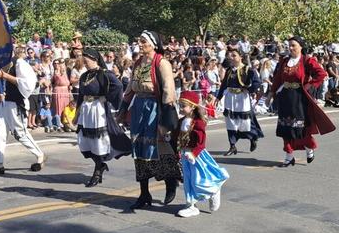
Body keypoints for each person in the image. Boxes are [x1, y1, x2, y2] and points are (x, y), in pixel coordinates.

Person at [121, 31, 181, 210]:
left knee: (159, 148)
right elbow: (131, 88)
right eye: (139, 41)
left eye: (143, 41)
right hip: (139, 108)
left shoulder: (162, 63)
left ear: (153, 44)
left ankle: (170, 182)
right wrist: (123, 108)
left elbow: (169, 90)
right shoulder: (138, 63)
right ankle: (144, 193)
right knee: (138, 150)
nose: (139, 44)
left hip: (155, 109)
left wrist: (165, 120)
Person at [0, 48, 46, 175]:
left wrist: (5, 76)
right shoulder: (3, 64)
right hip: (6, 102)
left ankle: (40, 154)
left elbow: (26, 83)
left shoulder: (19, 63)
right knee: (0, 132)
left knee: (20, 133)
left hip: (16, 103)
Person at [270, 36, 336, 167]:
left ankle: (309, 148)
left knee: (300, 128)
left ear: (300, 46)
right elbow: (278, 78)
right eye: (289, 45)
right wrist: (271, 93)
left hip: (299, 98)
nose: (291, 48)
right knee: (285, 128)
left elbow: (321, 74)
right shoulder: (284, 61)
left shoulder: (307, 60)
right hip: (285, 97)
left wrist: (309, 86)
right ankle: (289, 156)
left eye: (293, 45)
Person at [73, 49, 131, 187]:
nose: (85, 64)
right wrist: (77, 113)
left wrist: (107, 97)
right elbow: (81, 95)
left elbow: (117, 86)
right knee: (85, 142)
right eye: (84, 62)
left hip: (98, 110)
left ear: (94, 60)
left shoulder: (104, 74)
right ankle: (100, 166)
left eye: (87, 62)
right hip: (86, 110)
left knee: (98, 142)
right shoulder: (84, 76)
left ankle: (98, 170)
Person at [176, 90, 229, 218]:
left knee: (198, 180)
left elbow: (201, 142)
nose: (181, 108)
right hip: (185, 155)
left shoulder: (198, 123)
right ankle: (191, 205)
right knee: (187, 180)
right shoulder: (182, 120)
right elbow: (177, 136)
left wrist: (193, 154)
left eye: (184, 106)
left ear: (193, 106)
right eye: (180, 105)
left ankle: (213, 191)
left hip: (197, 156)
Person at [216, 47, 263, 156]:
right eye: (230, 56)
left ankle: (252, 137)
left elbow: (257, 83)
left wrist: (249, 89)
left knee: (245, 123)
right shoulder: (229, 70)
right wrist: (218, 98)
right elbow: (224, 85)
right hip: (230, 98)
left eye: (234, 56)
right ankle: (232, 146)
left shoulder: (248, 70)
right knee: (230, 122)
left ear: (240, 57)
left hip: (242, 99)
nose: (231, 58)